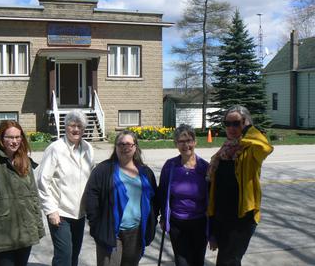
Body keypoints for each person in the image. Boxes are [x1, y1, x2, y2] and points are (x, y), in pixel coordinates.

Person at [207, 105, 273, 266]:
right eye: (227, 124)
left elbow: (265, 147)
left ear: (245, 123)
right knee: (226, 259)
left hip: (242, 217)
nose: (231, 128)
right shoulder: (224, 150)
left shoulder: (251, 150)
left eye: (236, 123)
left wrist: (248, 129)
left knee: (228, 260)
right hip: (221, 216)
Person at [83, 130, 158, 266]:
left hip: (136, 231)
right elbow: (91, 197)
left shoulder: (146, 173)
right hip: (110, 231)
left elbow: (154, 201)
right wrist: (96, 224)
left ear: (135, 147)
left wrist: (153, 222)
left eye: (129, 144)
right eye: (121, 144)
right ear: (115, 147)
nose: (125, 147)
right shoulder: (103, 170)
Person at [0, 120, 45, 266]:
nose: (14, 141)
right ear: (1, 138)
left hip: (25, 232)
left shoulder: (25, 161)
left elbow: (33, 196)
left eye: (18, 137)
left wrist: (38, 226)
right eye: (10, 137)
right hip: (2, 234)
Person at [37, 109, 95, 266]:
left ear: (84, 129)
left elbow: (91, 179)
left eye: (79, 126)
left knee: (74, 254)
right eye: (72, 125)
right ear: (65, 127)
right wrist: (50, 210)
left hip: (80, 213)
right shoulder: (55, 149)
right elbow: (43, 181)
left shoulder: (88, 149)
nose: (75, 129)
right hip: (60, 213)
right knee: (64, 255)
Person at [158, 124, 209, 266]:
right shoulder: (170, 166)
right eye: (181, 141)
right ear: (176, 144)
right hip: (177, 224)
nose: (186, 145)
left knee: (197, 261)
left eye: (189, 140)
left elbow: (212, 196)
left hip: (199, 223)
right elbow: (162, 192)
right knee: (182, 262)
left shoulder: (205, 167)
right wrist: (163, 216)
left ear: (195, 142)